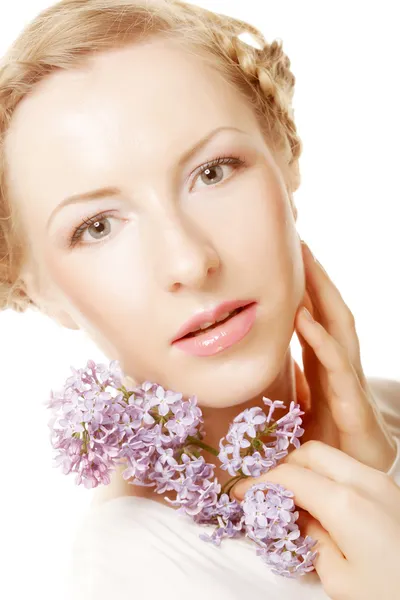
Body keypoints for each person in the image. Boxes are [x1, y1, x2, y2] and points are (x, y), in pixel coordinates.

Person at [0, 0, 399, 598]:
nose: (190, 262)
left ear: (287, 161)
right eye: (99, 226)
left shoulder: (386, 413)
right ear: (34, 289)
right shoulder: (131, 569)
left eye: (213, 171)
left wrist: (378, 475)